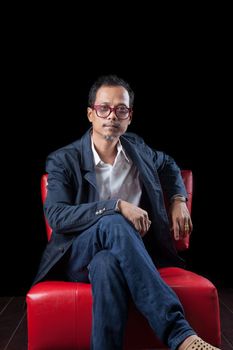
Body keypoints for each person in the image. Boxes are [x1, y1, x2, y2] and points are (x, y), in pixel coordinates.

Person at [33, 75, 219, 350]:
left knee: (107, 265)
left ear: (129, 117)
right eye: (104, 108)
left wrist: (179, 199)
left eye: (121, 109)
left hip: (128, 252)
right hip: (79, 253)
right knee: (115, 221)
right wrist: (116, 206)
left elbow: (167, 164)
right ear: (90, 114)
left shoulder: (137, 149)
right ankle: (180, 335)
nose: (112, 115)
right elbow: (58, 216)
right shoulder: (63, 159)